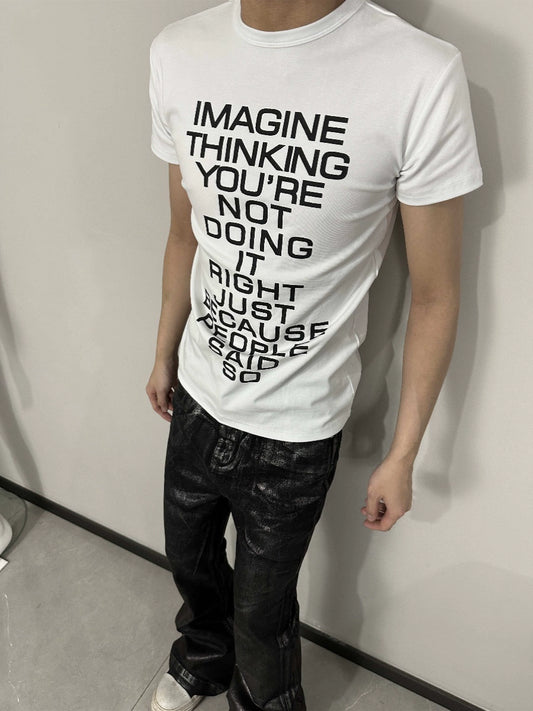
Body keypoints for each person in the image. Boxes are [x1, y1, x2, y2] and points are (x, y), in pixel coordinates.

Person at [145, 1, 483, 709]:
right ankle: (202, 655)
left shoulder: (418, 74)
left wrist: (404, 454)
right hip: (199, 393)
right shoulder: (178, 50)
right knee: (190, 561)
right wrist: (163, 351)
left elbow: (435, 295)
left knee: (263, 612)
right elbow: (183, 234)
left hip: (295, 431)